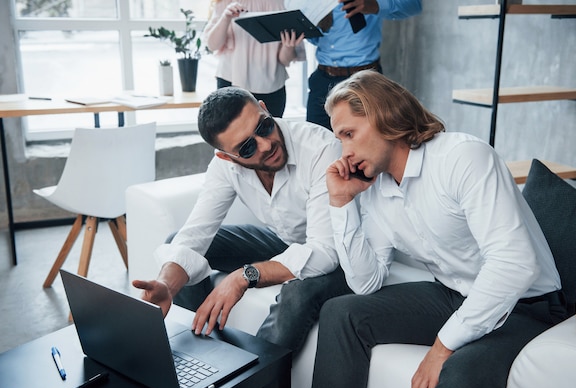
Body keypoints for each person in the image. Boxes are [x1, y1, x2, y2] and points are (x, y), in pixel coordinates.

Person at [305, 71, 569, 388]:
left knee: (460, 374)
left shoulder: (463, 157)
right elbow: (364, 283)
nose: (346, 153)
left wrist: (442, 347)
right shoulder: (376, 187)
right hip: (452, 294)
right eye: (340, 140)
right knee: (341, 312)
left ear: (385, 116)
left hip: (525, 305)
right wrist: (341, 204)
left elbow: (514, 263)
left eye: (349, 134)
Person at [132, 86, 351, 356]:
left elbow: (324, 252)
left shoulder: (321, 149)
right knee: (178, 250)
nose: (266, 144)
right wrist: (166, 285)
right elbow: (196, 233)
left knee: (298, 294)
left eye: (264, 126)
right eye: (247, 148)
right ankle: (200, 356)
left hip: (344, 253)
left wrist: (244, 276)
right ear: (227, 156)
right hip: (287, 243)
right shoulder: (225, 166)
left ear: (265, 108)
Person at [286, 0, 422, 130]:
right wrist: (303, 31)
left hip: (363, 80)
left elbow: (414, 5)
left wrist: (375, 5)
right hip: (322, 80)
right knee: (316, 144)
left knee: (367, 147)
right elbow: (319, 40)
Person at [203, 1, 306, 117]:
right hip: (230, 83)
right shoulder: (225, 2)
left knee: (269, 133)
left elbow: (284, 60)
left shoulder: (281, 3)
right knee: (231, 133)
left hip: (272, 87)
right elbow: (213, 45)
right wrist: (226, 17)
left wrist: (288, 46)